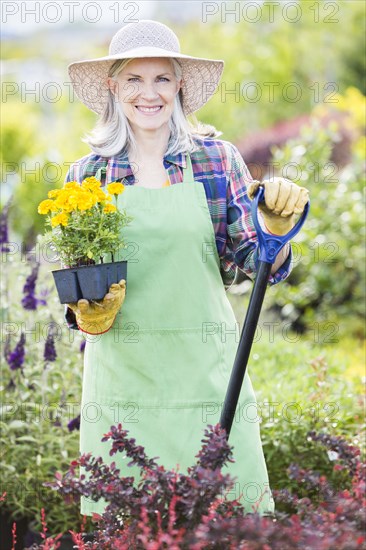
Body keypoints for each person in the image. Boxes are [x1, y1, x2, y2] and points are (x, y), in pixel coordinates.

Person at [65, 19, 309, 517]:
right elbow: (78, 284)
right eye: (134, 79)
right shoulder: (88, 173)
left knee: (226, 522)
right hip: (123, 383)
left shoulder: (218, 161)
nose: (148, 93)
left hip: (207, 374)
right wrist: (84, 311)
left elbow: (255, 262)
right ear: (113, 87)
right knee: (130, 526)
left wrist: (276, 234)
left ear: (179, 85)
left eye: (161, 79)